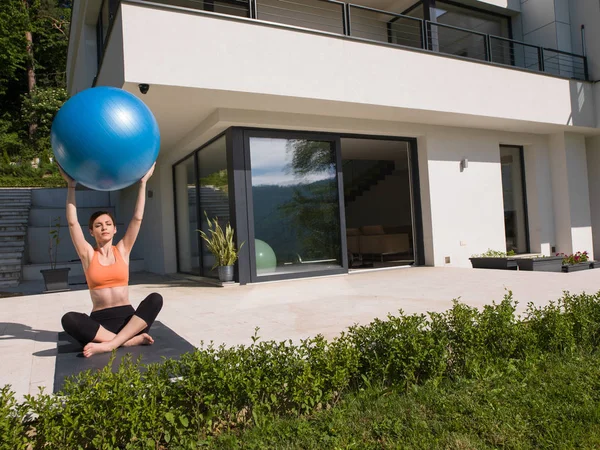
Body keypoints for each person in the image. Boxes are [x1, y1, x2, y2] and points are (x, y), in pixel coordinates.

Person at [59, 164, 163, 357]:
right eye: (98, 225)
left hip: (130, 321)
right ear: (91, 232)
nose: (104, 227)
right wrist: (71, 187)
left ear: (115, 229)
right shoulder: (88, 254)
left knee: (155, 298)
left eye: (108, 224)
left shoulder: (123, 250)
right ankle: (126, 341)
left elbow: (137, 218)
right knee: (69, 320)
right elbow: (72, 222)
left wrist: (143, 183)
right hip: (101, 323)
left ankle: (110, 344)